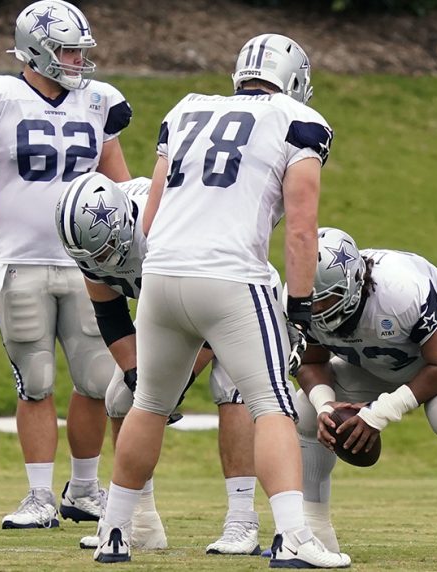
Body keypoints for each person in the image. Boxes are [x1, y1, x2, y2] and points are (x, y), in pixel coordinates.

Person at [91, 33, 349, 568]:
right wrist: (299, 307)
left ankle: (113, 532)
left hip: (162, 273)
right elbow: (302, 229)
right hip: (232, 275)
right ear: (294, 80)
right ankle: (294, 537)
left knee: (149, 404)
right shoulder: (298, 121)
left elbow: (152, 215)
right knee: (273, 405)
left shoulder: (186, 110)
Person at [0, 0, 130, 532]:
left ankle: (86, 489)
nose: (77, 60)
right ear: (35, 50)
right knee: (36, 379)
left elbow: (119, 187)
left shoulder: (99, 103)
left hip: (87, 264)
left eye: (79, 50)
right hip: (19, 263)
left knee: (96, 379)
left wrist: (131, 253)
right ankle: (38, 495)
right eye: (67, 50)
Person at [292, 227, 437, 564]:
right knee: (304, 411)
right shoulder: (298, 299)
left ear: (354, 282)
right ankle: (316, 530)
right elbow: (310, 360)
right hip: (386, 355)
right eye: (310, 298)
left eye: (326, 298)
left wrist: (380, 412)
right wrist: (325, 405)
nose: (316, 309)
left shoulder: (398, 288)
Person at [55, 173, 263, 555]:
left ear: (123, 224)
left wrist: (174, 384)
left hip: (233, 294)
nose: (98, 263)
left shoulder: (167, 227)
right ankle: (141, 521)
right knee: (120, 396)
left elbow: (203, 318)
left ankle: (241, 521)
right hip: (175, 307)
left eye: (102, 253)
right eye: (89, 257)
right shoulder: (91, 246)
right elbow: (111, 317)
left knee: (231, 386)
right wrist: (138, 376)